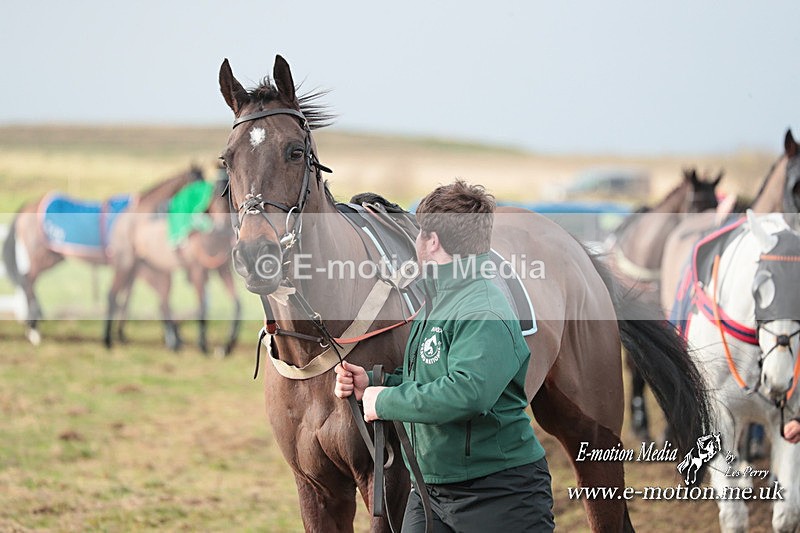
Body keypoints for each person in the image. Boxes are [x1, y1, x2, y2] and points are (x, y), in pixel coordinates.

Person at [334, 180, 554, 532]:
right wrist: (373, 383)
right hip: (429, 492)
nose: (416, 242)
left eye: (419, 233)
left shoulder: (483, 310)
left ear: (432, 241)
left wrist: (385, 401)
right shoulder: (439, 300)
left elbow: (467, 393)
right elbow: (431, 377)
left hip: (500, 496)